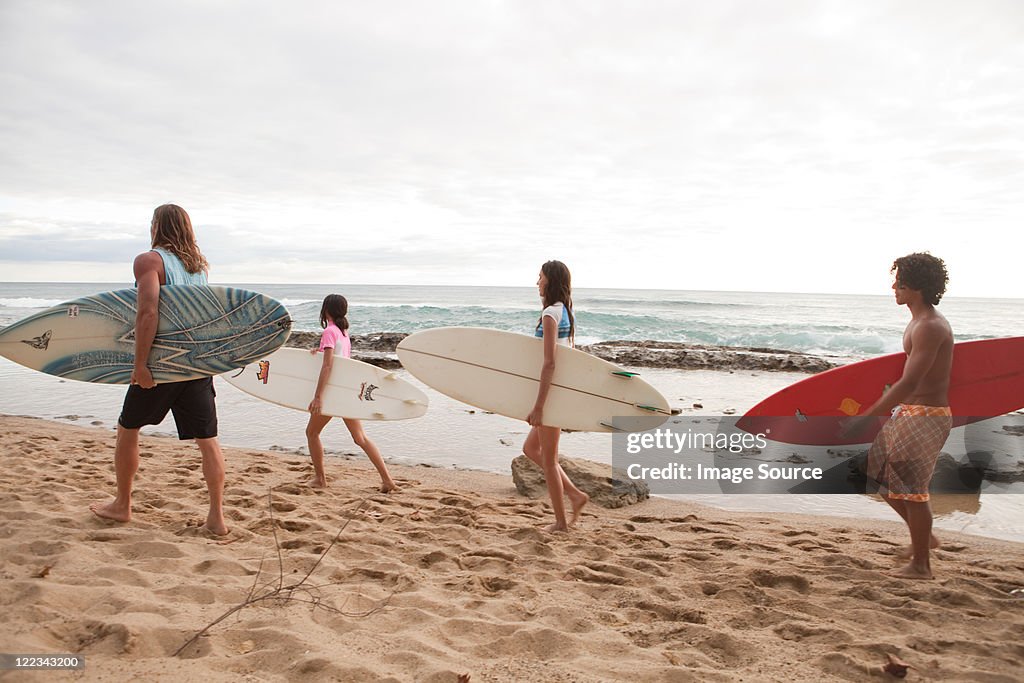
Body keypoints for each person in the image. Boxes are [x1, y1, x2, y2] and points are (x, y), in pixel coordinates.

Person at [90, 204, 228, 536]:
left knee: (128, 430)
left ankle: (122, 505)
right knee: (208, 441)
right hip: (195, 365)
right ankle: (216, 519)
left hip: (162, 364)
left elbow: (148, 312)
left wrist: (140, 365)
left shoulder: (149, 261)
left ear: (156, 226)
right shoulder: (200, 269)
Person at [851, 252, 953, 579]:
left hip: (926, 415)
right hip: (910, 412)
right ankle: (925, 536)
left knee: (912, 490)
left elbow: (910, 381)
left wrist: (867, 416)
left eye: (900, 280)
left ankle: (921, 565)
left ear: (916, 285)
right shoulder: (918, 322)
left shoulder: (930, 326)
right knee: (872, 473)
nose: (894, 286)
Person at [306, 294, 397, 492]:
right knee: (360, 438)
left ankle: (320, 479)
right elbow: (340, 361)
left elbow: (328, 366)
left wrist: (318, 396)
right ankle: (387, 480)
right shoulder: (343, 332)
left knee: (312, 433)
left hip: (332, 393)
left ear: (326, 309)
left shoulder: (329, 331)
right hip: (347, 391)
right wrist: (319, 351)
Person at [523, 260, 589, 532]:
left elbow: (550, 362)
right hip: (557, 392)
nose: (537, 282)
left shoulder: (551, 313)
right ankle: (575, 494)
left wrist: (539, 406)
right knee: (530, 449)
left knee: (548, 460)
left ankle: (561, 522)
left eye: (539, 277)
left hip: (551, 396)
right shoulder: (566, 311)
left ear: (550, 280)